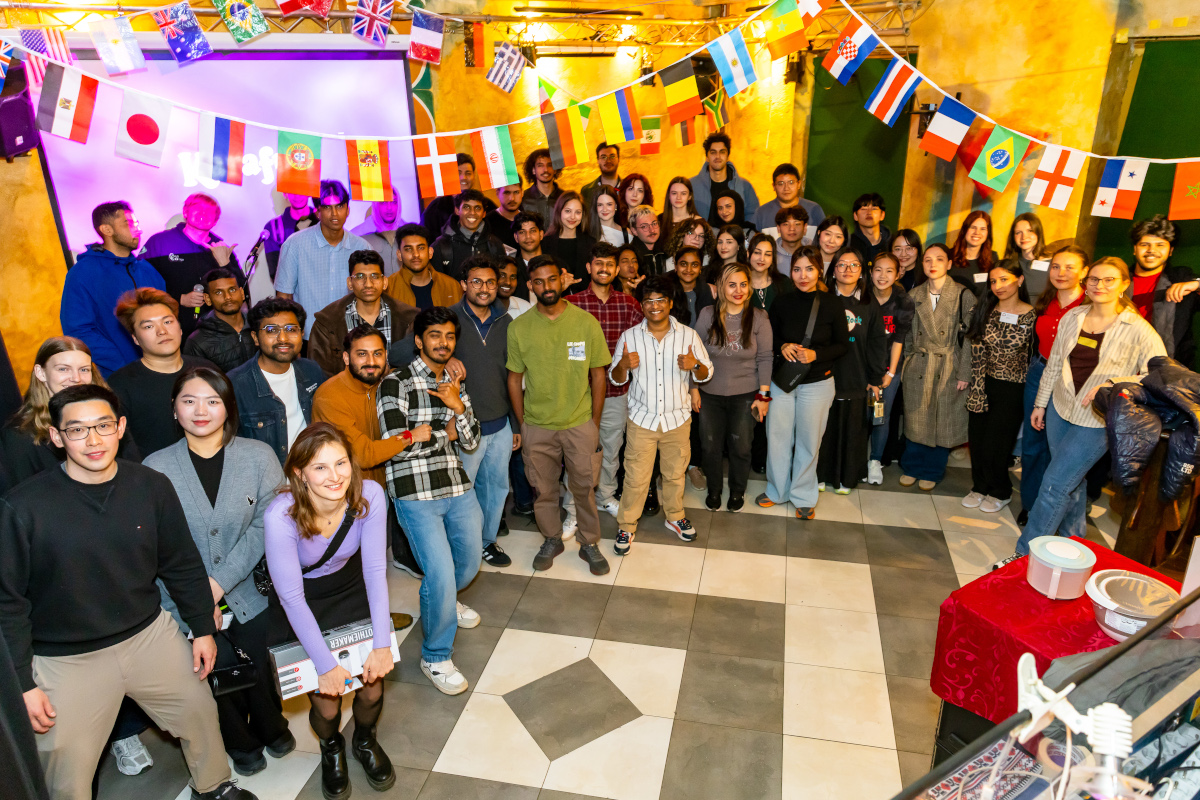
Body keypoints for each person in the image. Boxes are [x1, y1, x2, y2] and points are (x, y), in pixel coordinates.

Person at [0, 383, 257, 800]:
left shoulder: (151, 485)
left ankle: (213, 787)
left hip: (148, 634)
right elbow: (8, 602)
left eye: (103, 425)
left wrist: (201, 628)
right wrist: (20, 684)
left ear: (120, 427)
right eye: (78, 430)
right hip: (66, 658)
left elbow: (180, 561)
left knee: (198, 712)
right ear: (56, 437)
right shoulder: (23, 507)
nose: (93, 439)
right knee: (65, 765)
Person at [144, 368, 295, 777]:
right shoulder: (154, 468)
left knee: (259, 664)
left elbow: (270, 523)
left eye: (212, 401)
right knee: (212, 672)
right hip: (180, 597)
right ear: (174, 409)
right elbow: (154, 545)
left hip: (249, 589)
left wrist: (216, 585)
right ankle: (239, 742)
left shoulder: (257, 455)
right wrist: (197, 598)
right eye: (188, 400)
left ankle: (271, 725)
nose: (200, 410)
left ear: (228, 408)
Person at [264, 424, 396, 799]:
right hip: (304, 601)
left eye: (341, 463)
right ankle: (331, 747)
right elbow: (291, 598)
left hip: (351, 587)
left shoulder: (369, 494)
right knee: (327, 699)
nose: (335, 476)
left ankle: (365, 741)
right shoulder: (281, 515)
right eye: (320, 467)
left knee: (371, 687)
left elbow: (374, 571)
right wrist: (324, 664)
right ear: (299, 473)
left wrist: (383, 642)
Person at [1010, 257, 1166, 558]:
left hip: (1097, 420)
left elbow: (1158, 375)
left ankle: (1022, 556)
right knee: (1073, 480)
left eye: (1109, 280)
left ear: (1124, 285)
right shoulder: (1074, 317)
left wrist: (1114, 383)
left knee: (1054, 484)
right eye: (1094, 279)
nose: (1100, 285)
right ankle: (1073, 544)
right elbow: (1054, 364)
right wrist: (1041, 403)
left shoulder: (1138, 329)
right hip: (1060, 409)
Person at [378, 308, 484, 694]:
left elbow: (470, 440)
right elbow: (398, 447)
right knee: (438, 574)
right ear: (419, 341)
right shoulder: (397, 384)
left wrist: (457, 408)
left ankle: (446, 601)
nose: (443, 342)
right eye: (435, 335)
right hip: (415, 490)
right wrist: (446, 433)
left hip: (456, 484)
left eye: (450, 336)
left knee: (471, 561)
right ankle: (435, 656)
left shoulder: (454, 381)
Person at [506, 255, 612, 575]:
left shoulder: (585, 322)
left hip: (579, 423)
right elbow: (514, 378)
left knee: (584, 487)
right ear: (530, 286)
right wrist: (524, 423)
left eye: (552, 279)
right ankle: (552, 537)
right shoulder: (520, 327)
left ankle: (590, 541)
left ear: (562, 279)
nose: (547, 287)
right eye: (539, 281)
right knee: (545, 489)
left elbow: (598, 375)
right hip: (538, 425)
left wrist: (593, 423)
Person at [312, 322, 426, 582]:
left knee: (373, 561)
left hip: (384, 485)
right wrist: (410, 437)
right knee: (348, 563)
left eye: (377, 353)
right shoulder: (330, 396)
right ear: (345, 357)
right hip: (345, 493)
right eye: (361, 354)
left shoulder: (389, 382)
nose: (371, 361)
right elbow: (362, 455)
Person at [608, 276, 713, 554]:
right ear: (642, 305)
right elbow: (616, 379)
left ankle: (675, 517)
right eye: (649, 301)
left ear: (669, 303)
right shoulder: (629, 336)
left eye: (660, 300)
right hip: (642, 419)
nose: (655, 306)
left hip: (677, 420)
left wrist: (695, 365)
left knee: (675, 474)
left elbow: (707, 373)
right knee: (635, 477)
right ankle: (627, 526)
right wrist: (622, 365)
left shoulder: (688, 335)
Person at [755, 251, 847, 518]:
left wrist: (815, 354)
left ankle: (803, 495)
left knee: (809, 441)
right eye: (797, 269)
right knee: (778, 438)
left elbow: (843, 345)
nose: (803, 276)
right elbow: (767, 339)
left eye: (809, 269)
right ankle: (777, 491)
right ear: (790, 271)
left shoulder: (832, 304)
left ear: (819, 270)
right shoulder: (782, 302)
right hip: (783, 382)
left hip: (818, 383)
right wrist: (781, 345)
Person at [1, 336, 142, 495]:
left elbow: (134, 474)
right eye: (63, 369)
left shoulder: (109, 417)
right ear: (41, 373)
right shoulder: (19, 434)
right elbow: (19, 499)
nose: (76, 378)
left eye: (84, 369)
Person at [565, 243, 645, 521]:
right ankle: (574, 506)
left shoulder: (628, 304)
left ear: (616, 269)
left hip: (616, 391)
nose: (604, 269)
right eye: (599, 263)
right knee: (576, 452)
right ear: (589, 267)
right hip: (579, 394)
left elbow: (644, 341)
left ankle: (605, 496)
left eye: (610, 264)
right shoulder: (572, 304)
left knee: (611, 448)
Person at [694, 264, 772, 512]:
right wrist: (694, 389)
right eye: (732, 284)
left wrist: (763, 396)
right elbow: (695, 354)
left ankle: (737, 492)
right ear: (721, 287)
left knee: (741, 446)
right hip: (709, 394)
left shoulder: (759, 318)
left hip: (746, 394)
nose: (738, 290)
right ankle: (714, 490)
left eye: (743, 284)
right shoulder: (707, 314)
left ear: (749, 287)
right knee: (710, 446)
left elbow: (766, 358)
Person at [1019, 245, 1088, 525]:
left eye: (1070, 267)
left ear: (1084, 271)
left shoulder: (1090, 305)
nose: (1061, 273)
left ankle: (1056, 509)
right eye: (1056, 266)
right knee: (1033, 443)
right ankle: (1030, 504)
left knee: (1060, 449)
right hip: (1040, 369)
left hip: (1072, 380)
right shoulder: (1047, 300)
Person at [899, 243, 976, 490]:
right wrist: (907, 363)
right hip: (919, 364)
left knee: (943, 420)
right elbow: (908, 335)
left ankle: (932, 470)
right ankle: (911, 467)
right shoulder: (914, 296)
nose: (933, 265)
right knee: (915, 417)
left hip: (948, 365)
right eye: (928, 260)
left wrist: (965, 373)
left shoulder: (963, 295)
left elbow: (971, 338)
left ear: (949, 264)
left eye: (939, 259)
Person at [961, 263, 1035, 514]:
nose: (998, 286)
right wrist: (976, 387)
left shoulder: (1033, 316)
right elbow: (976, 351)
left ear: (1020, 280)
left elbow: (1032, 358)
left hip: (1013, 388)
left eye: (1004, 279)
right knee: (978, 440)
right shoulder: (983, 310)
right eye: (993, 281)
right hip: (982, 382)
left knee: (998, 444)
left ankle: (1000, 490)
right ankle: (979, 486)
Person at [60, 201, 166, 376]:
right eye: (129, 224)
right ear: (107, 230)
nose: (137, 230)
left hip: (161, 367)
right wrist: (122, 364)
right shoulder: (83, 272)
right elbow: (78, 330)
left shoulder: (147, 269)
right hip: (120, 375)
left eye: (137, 224)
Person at [108, 289, 216, 455]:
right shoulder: (120, 385)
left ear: (180, 327)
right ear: (135, 338)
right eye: (149, 326)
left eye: (167, 322)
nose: (162, 331)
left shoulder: (208, 370)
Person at [817, 249, 887, 494]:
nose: (847, 269)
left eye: (854, 265)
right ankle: (820, 475)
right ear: (833, 270)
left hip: (857, 376)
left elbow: (877, 343)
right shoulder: (822, 299)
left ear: (861, 271)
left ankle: (847, 478)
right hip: (824, 376)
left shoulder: (869, 304)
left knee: (853, 430)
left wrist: (875, 378)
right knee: (823, 429)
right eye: (841, 264)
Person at [228, 298, 327, 465]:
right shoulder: (234, 385)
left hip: (312, 479)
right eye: (272, 330)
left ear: (302, 334)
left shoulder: (312, 371)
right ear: (255, 337)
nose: (283, 338)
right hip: (267, 485)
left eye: (291, 329)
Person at [275, 180, 372, 340]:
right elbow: (283, 297)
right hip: (308, 337)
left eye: (340, 206)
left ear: (348, 210)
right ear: (318, 212)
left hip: (351, 337)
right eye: (327, 207)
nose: (334, 214)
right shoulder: (295, 245)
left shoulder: (362, 247)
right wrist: (291, 337)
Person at [141, 193, 245, 339]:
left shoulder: (221, 247)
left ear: (216, 220)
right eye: (198, 208)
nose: (204, 213)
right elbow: (139, 285)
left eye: (210, 211)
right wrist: (178, 299)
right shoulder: (159, 242)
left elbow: (242, 293)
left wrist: (225, 264)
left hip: (214, 334)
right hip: (169, 331)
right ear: (185, 212)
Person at [309, 249, 419, 377]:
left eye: (374, 276)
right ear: (350, 283)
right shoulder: (327, 323)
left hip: (396, 394)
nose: (368, 284)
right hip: (346, 395)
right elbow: (318, 373)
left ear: (384, 282)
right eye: (360, 277)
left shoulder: (409, 319)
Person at [866, 253, 914, 485]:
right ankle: (854, 460)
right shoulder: (862, 296)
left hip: (888, 368)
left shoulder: (903, 301)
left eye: (889, 271)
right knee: (858, 416)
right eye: (878, 269)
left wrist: (890, 373)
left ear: (898, 274)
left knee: (880, 415)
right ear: (870, 272)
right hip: (861, 367)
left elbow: (899, 340)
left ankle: (875, 461)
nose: (882, 276)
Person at [1131, 216, 1198, 364]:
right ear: (1135, 249)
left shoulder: (1182, 277)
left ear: (1170, 251)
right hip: (1119, 363)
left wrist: (1196, 284)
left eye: (1160, 245)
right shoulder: (1117, 278)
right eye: (1145, 244)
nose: (1151, 250)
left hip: (1170, 370)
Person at [184, 267, 257, 374]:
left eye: (232, 290)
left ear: (241, 293)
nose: (228, 297)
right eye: (218, 292)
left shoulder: (258, 325)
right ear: (208, 299)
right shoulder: (197, 341)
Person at [384, 224, 464, 311]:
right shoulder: (388, 289)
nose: (416, 254)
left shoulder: (452, 287)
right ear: (399, 255)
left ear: (430, 252)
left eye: (421, 248)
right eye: (408, 249)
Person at [431, 189, 507, 280]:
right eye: (466, 207)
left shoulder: (495, 245)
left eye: (477, 208)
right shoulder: (441, 246)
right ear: (457, 210)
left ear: (484, 213)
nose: (472, 212)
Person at [421, 154, 496, 237]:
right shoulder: (435, 208)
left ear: (474, 176)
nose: (463, 177)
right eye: (458, 173)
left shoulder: (487, 205)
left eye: (468, 173)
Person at [691, 132, 760, 220]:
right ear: (707, 157)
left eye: (722, 152)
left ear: (728, 156)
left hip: (737, 233)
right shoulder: (691, 186)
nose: (718, 156)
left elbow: (753, 217)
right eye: (713, 152)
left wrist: (740, 233)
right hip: (703, 234)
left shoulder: (745, 186)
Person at [543, 191, 597, 287]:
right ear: (559, 212)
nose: (572, 217)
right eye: (568, 211)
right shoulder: (545, 243)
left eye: (577, 212)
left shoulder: (591, 243)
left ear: (583, 215)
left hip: (583, 299)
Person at [752, 163, 825, 232]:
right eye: (781, 184)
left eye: (791, 182)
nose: (786, 188)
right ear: (774, 186)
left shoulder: (814, 209)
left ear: (799, 184)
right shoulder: (761, 213)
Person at [261, 193, 317, 282]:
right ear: (285, 194)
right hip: (290, 293)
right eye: (292, 191)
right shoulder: (273, 228)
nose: (297, 196)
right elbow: (275, 272)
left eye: (301, 189)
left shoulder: (323, 220)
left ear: (309, 191)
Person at [352, 189, 404, 276]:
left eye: (394, 202)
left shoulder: (408, 233)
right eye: (383, 202)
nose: (389, 208)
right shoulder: (359, 236)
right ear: (376, 205)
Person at [947, 210, 998, 295]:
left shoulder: (993, 258)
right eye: (973, 227)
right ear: (965, 229)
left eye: (982, 229)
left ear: (987, 233)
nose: (977, 232)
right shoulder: (948, 256)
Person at [1002, 212, 1048, 297]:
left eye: (1030, 231)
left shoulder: (1053, 264)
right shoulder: (1008, 264)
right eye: (1018, 232)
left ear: (1038, 233)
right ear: (1013, 236)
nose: (1024, 236)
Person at [671, 247, 713, 327]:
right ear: (676, 266)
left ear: (700, 268)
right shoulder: (666, 292)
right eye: (683, 264)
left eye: (694, 265)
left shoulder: (706, 291)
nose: (688, 269)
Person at [747, 233, 789, 312]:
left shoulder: (784, 283)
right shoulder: (740, 286)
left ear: (773, 258)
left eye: (767, 254)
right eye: (757, 253)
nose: (762, 259)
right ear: (748, 254)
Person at [521, 148, 563, 225]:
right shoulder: (523, 199)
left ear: (555, 170)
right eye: (540, 165)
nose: (545, 169)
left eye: (550, 165)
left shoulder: (564, 198)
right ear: (533, 170)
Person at [848, 193, 891, 269]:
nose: (869, 213)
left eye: (874, 209)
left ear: (882, 215)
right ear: (855, 216)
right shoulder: (848, 244)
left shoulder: (892, 244)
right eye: (864, 209)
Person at [659, 177, 702, 250]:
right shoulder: (658, 220)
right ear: (669, 196)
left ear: (689, 197)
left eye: (683, 193)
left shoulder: (699, 222)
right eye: (674, 193)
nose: (678, 197)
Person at [628, 205, 668, 278]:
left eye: (654, 224)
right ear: (634, 230)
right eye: (644, 226)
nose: (652, 230)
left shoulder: (667, 250)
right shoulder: (630, 255)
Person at [580, 142, 622, 208]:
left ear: (619, 159)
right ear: (598, 160)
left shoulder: (628, 189)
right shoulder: (587, 191)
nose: (608, 161)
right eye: (603, 157)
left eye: (612, 156)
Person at [486, 182, 525, 252]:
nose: (512, 198)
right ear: (497, 193)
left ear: (522, 192)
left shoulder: (529, 220)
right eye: (507, 193)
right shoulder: (487, 222)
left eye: (516, 192)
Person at [774, 206, 809, 275]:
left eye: (797, 224)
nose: (792, 228)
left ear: (805, 228)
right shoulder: (770, 254)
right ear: (778, 228)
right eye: (786, 224)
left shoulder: (813, 252)